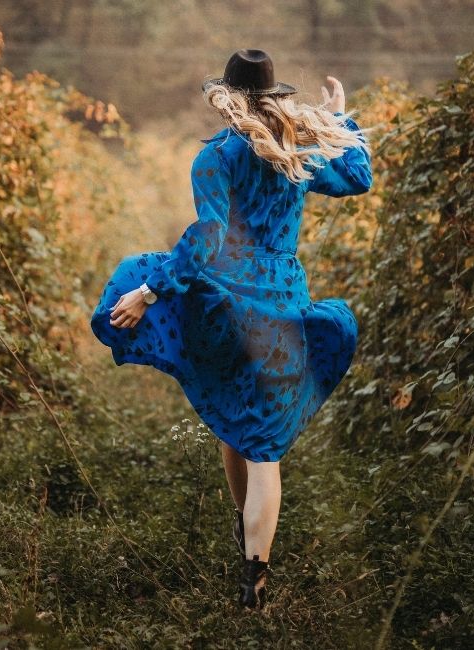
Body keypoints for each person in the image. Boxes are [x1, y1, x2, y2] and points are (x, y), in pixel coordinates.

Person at [89, 49, 371, 609]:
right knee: (263, 448)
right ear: (273, 97)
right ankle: (255, 584)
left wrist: (149, 292)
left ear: (229, 98)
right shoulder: (293, 153)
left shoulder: (216, 158)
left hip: (225, 308)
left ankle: (245, 540)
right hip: (282, 308)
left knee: (230, 421)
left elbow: (208, 242)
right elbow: (357, 177)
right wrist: (339, 120)